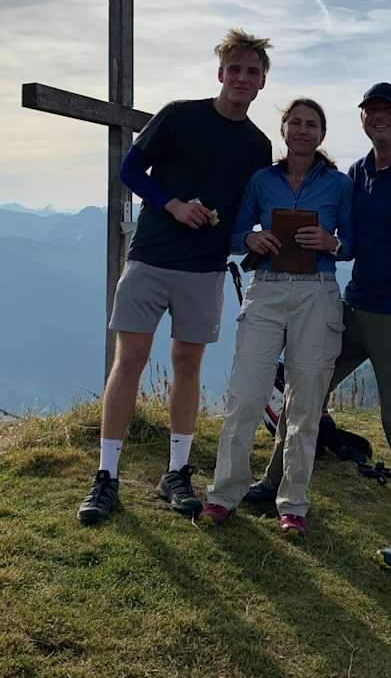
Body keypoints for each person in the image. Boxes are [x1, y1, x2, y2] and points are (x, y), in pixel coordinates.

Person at [246, 82, 391, 574]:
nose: (380, 117)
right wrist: (328, 243)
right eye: (372, 110)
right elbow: (353, 245)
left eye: (389, 110)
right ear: (362, 118)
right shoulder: (359, 173)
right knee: (305, 390)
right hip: (353, 308)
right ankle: (272, 482)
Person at [76, 29, 273, 524]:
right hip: (151, 257)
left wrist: (241, 234)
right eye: (236, 69)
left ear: (263, 81)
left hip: (204, 267)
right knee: (131, 361)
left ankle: (177, 473)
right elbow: (131, 171)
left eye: (253, 72)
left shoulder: (258, 145)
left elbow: (243, 210)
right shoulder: (180, 115)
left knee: (187, 365)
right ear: (220, 73)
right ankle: (106, 478)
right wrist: (173, 204)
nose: (243, 79)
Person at [197, 98, 353, 537]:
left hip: (317, 294)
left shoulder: (340, 187)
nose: (303, 131)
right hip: (265, 290)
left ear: (322, 135)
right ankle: (224, 495)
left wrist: (331, 241)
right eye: (295, 123)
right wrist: (253, 236)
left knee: (304, 407)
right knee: (244, 397)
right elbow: (232, 234)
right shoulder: (261, 182)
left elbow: (355, 242)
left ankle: (293, 505)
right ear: (283, 130)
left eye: (312, 124)